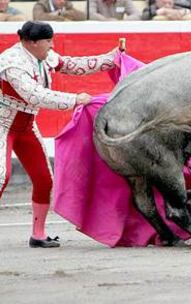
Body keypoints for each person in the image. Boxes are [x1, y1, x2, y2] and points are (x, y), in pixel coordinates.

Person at [0, 21, 117, 248]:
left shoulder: (41, 55)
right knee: (0, 175)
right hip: (2, 123)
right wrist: (73, 100)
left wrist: (109, 59)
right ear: (32, 42)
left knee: (44, 179)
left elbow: (72, 65)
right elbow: (36, 96)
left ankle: (39, 234)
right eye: (48, 41)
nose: (52, 46)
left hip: (25, 126)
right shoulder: (11, 63)